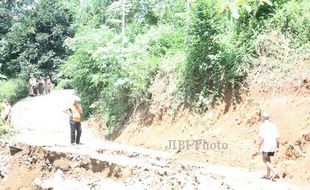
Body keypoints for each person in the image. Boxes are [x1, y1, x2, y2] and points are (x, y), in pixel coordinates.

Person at [257, 112, 280, 180]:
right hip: (273, 144)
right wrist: (278, 147)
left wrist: (258, 148)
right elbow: (277, 138)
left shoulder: (263, 126)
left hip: (267, 144)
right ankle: (268, 174)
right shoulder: (274, 125)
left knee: (264, 159)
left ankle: (274, 172)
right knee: (268, 158)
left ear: (262, 118)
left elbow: (261, 139)